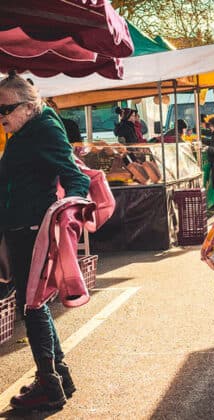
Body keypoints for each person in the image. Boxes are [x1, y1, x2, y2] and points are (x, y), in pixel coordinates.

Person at [0, 71, 90, 410]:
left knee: (32, 306)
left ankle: (48, 385)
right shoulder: (25, 129)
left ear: (26, 106)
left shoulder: (45, 129)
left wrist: (69, 211)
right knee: (33, 303)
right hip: (21, 226)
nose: (1, 117)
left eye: (4, 109)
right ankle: (58, 375)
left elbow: (73, 175)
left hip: (33, 229)